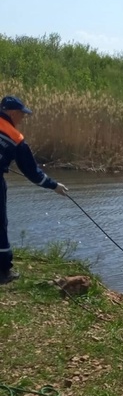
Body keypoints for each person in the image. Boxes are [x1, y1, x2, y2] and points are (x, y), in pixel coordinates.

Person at [0, 95, 68, 284]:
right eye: (21, 114)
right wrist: (54, 186)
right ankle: (3, 272)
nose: (22, 119)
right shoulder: (15, 137)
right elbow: (32, 172)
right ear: (12, 113)